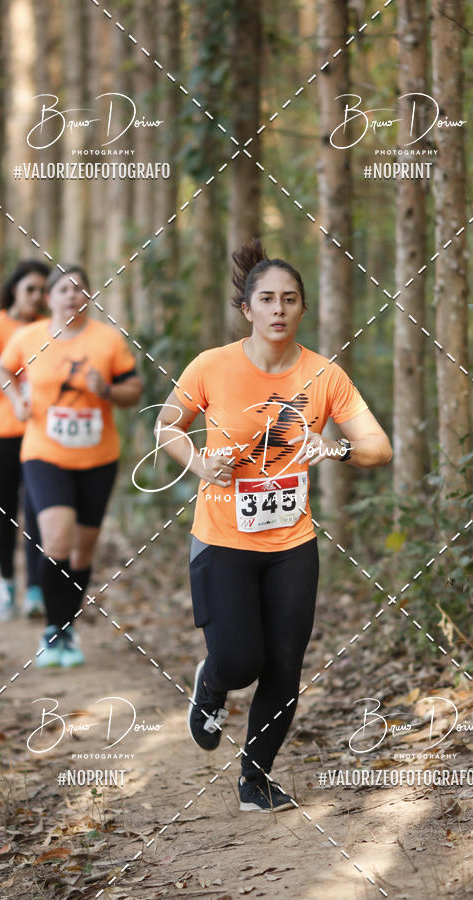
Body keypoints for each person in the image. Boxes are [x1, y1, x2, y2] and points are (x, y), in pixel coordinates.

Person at [154, 239, 392, 812]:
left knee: (284, 668)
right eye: (267, 299)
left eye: (290, 299)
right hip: (222, 540)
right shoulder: (211, 366)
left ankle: (255, 781)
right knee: (240, 660)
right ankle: (211, 685)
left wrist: (330, 448)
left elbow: (378, 448)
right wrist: (196, 460)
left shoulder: (325, 376)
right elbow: (166, 424)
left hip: (292, 544)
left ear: (303, 310)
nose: (279, 309)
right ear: (248, 309)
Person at [0, 265, 142, 667]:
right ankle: (53, 630)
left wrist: (107, 390)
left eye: (80, 289)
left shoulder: (108, 340)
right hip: (45, 453)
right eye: (63, 289)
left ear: (90, 296)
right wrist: (16, 399)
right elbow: (1, 369)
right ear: (49, 297)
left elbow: (134, 389)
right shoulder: (29, 337)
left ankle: (67, 628)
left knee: (82, 552)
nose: (72, 296)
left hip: (98, 458)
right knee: (57, 541)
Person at [0, 260, 49, 621]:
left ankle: (35, 589)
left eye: (42, 290)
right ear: (15, 289)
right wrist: (7, 364)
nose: (37, 296)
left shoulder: (50, 330)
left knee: (37, 512)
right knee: (4, 514)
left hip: (40, 435)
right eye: (30, 288)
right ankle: (6, 585)